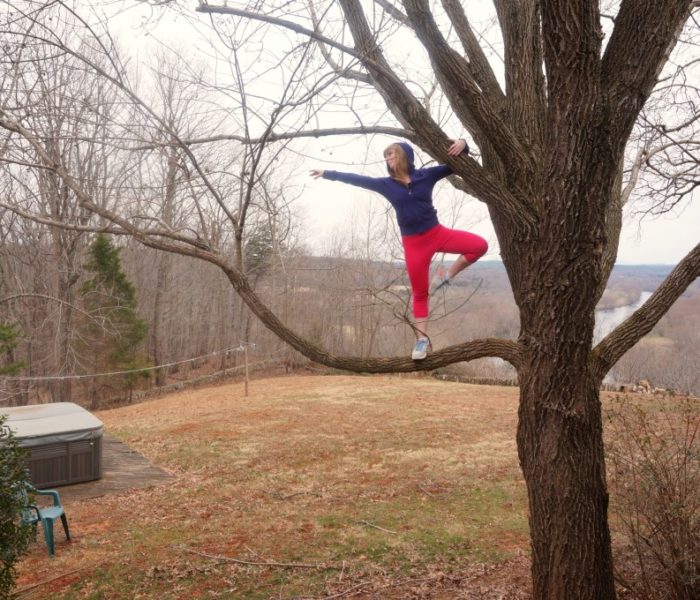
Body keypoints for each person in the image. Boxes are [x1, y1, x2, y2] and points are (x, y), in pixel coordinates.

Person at [310, 139, 488, 360]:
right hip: (414, 245)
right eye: (386, 156)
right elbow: (358, 180)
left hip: (437, 233)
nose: (388, 158)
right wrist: (328, 173)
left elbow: (457, 164)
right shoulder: (387, 184)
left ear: (404, 155)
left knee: (480, 246)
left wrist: (464, 144)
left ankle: (445, 276)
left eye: (392, 154)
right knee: (420, 293)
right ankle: (422, 341)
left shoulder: (426, 176)